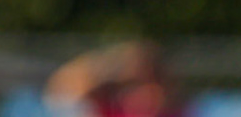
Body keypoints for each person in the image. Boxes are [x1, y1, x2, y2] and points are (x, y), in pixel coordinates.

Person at [46, 42, 190, 117]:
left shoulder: (177, 111)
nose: (146, 94)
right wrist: (111, 65)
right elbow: (61, 89)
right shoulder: (114, 109)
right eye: (135, 85)